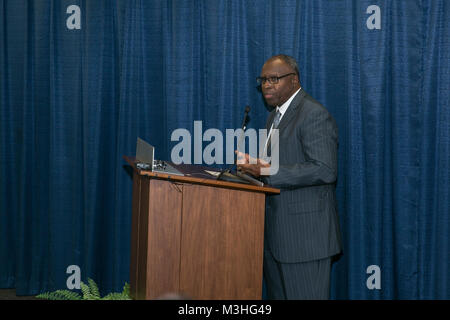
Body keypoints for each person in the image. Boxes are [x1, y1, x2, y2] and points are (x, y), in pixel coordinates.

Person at [237, 54, 342, 299]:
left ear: (294, 81)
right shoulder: (273, 116)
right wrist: (254, 169)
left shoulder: (313, 114)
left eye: (274, 79)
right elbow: (279, 167)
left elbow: (325, 169)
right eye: (262, 80)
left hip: (304, 239)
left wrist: (267, 171)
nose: (266, 85)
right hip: (275, 237)